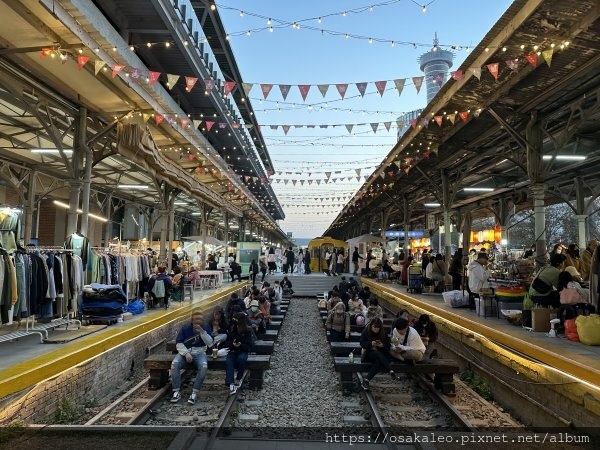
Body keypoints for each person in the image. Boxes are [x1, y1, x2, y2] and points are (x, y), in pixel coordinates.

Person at [170, 310, 213, 404]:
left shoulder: (205, 327)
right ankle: (176, 391)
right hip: (185, 352)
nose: (198, 321)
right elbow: (179, 342)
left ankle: (194, 393)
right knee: (174, 364)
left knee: (204, 367)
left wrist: (202, 332)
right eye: (196, 319)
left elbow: (210, 343)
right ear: (192, 319)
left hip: (200, 352)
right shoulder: (185, 328)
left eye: (200, 319)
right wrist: (186, 353)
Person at [359, 317, 395, 390]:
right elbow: (362, 344)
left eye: (378, 328)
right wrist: (371, 344)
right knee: (377, 353)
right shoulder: (365, 332)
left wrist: (382, 345)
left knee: (378, 362)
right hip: (369, 353)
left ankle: (366, 380)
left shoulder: (383, 333)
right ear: (371, 326)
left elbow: (388, 346)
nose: (376, 329)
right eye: (374, 327)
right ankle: (390, 370)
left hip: (381, 355)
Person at [226, 312, 254, 395]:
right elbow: (227, 343)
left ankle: (239, 378)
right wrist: (233, 345)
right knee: (229, 361)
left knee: (242, 359)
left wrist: (240, 345)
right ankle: (230, 383)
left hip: (243, 351)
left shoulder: (248, 331)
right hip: (233, 351)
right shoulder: (232, 329)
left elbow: (249, 346)